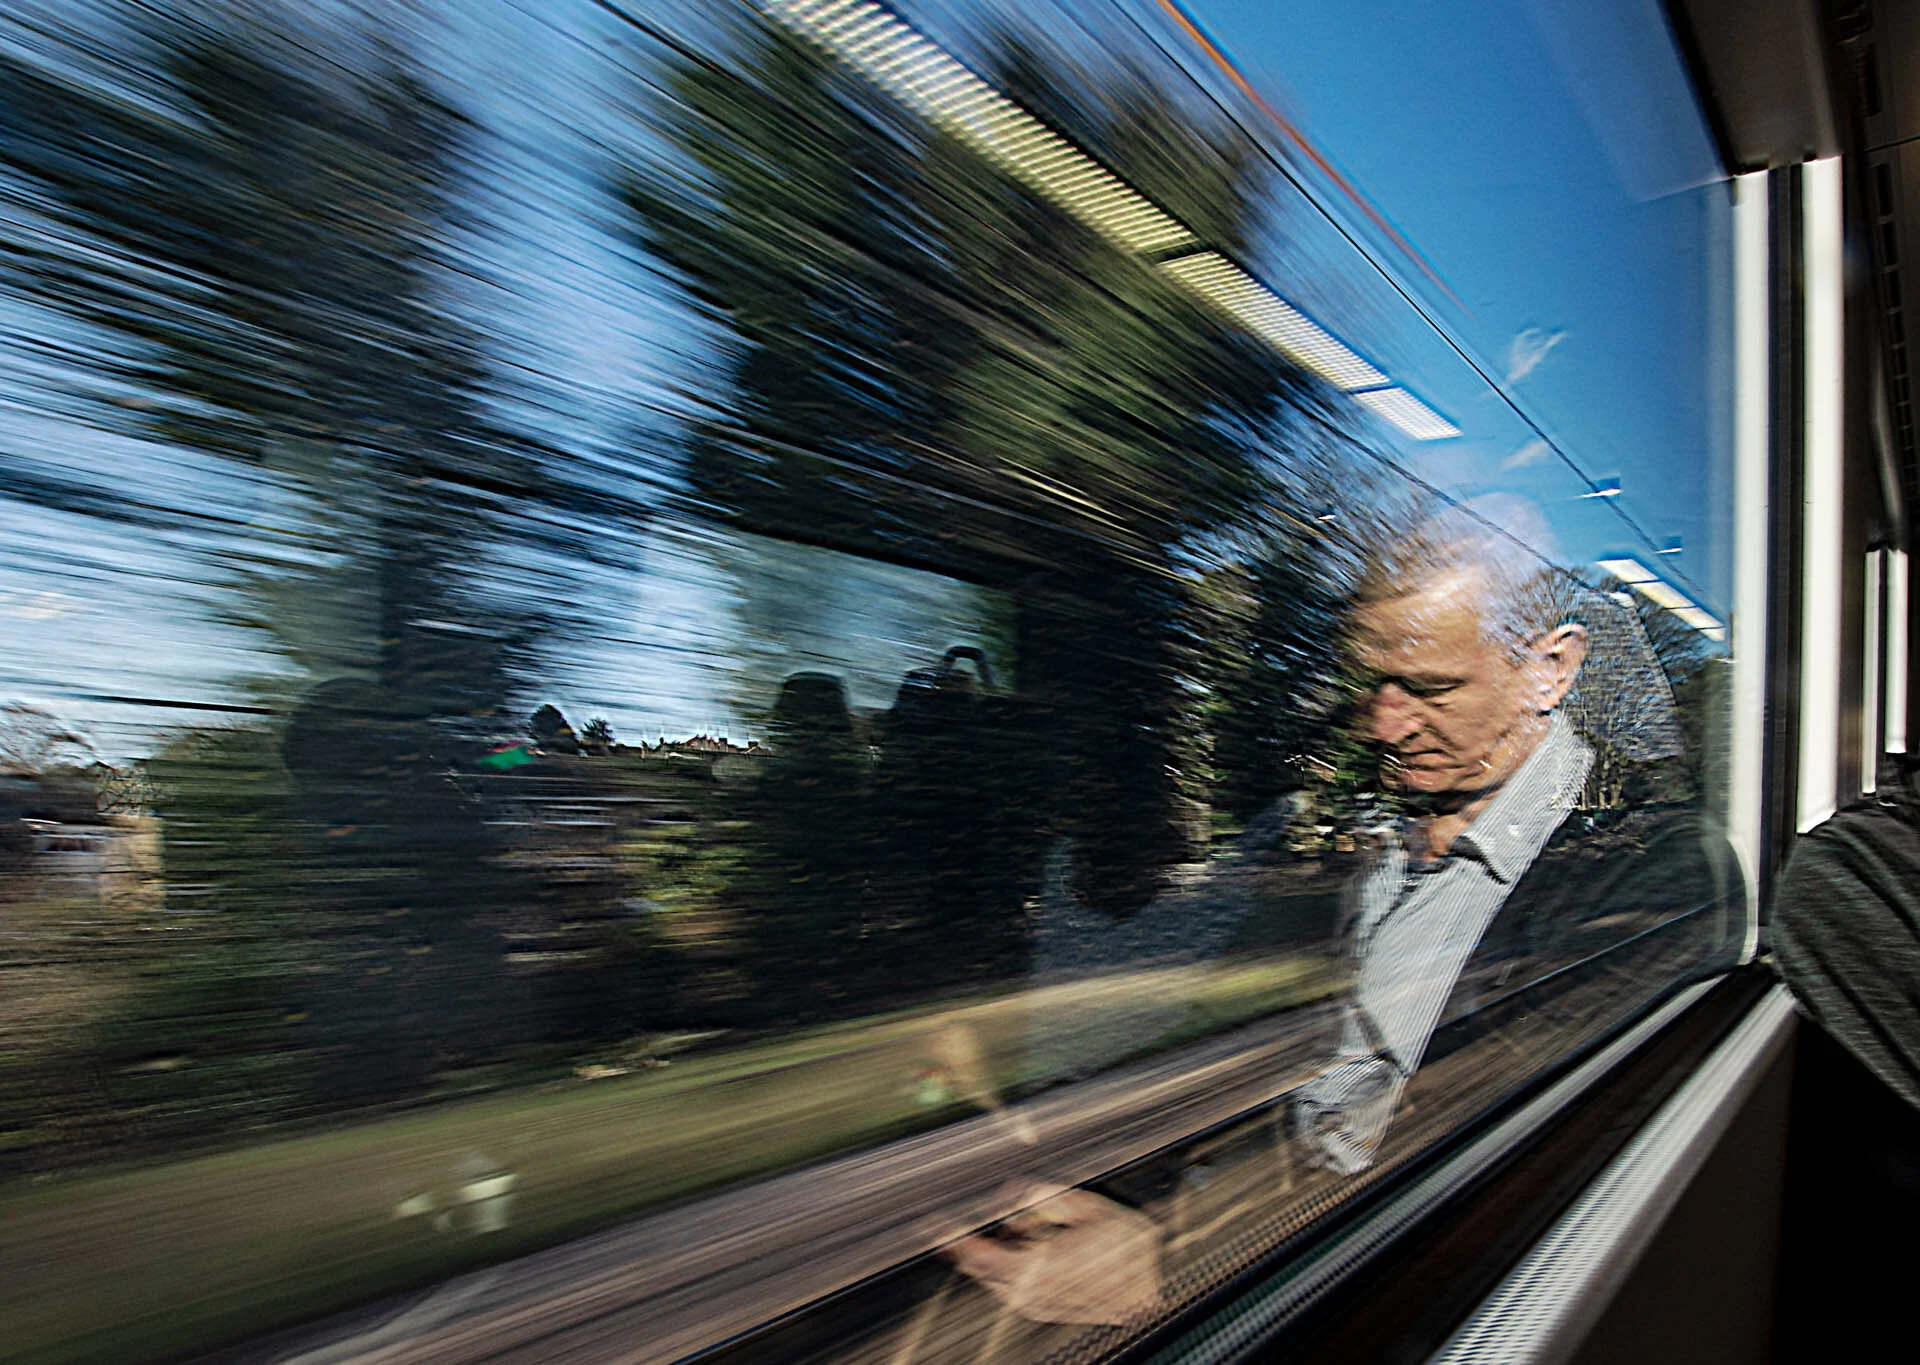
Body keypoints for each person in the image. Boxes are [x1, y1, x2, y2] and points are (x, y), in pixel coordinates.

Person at [936, 504, 1742, 1326]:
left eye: (1431, 687)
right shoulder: (1372, 849)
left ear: (1550, 670)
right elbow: (1263, 1056)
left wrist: (1176, 1263)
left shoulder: (1652, 875)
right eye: (1371, 685)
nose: (1385, 725)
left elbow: (1529, 1189)